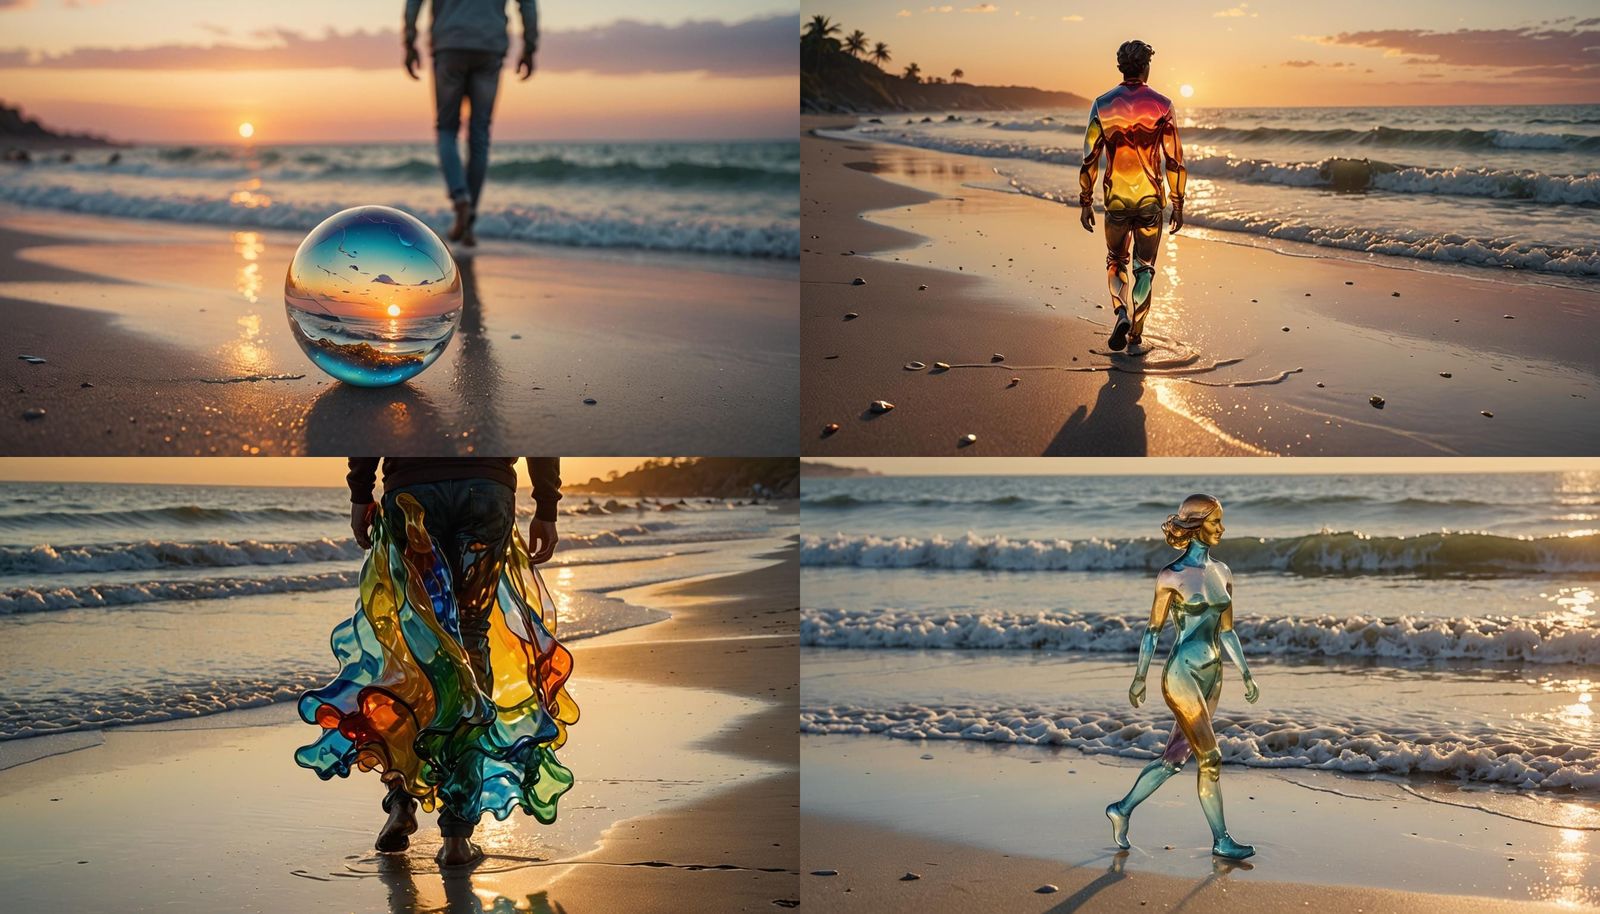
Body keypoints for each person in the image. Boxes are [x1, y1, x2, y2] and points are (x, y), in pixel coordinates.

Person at [296, 458, 568, 869]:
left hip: (412, 489)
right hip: (486, 488)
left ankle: (402, 801)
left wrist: (360, 491)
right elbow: (537, 413)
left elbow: (377, 402)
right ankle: (457, 832)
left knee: (411, 646)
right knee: (471, 640)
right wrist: (546, 505)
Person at [1104, 494, 1259, 860]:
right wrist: (1140, 677)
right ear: (1196, 524)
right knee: (1211, 758)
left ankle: (1121, 809)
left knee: (1173, 760)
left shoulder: (1224, 573)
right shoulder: (1170, 576)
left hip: (1213, 674)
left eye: (1221, 521)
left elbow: (1227, 631)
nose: (1222, 528)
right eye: (1215, 521)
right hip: (1182, 674)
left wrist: (1247, 674)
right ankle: (1221, 839)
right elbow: (1153, 631)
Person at [1078, 39, 1187, 356]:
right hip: (1151, 202)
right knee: (1145, 266)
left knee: (1116, 261)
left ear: (1121, 67)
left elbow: (1089, 157)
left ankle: (1121, 314)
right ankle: (1136, 332)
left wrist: (1086, 200)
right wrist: (1178, 202)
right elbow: (1174, 160)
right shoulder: (1163, 105)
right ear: (1146, 66)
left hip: (1116, 201)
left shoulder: (1102, 104)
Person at [404, 0, 540, 246]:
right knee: (479, 134)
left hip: (450, 44)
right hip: (489, 46)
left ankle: (460, 198)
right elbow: (527, 4)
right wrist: (530, 46)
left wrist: (409, 41)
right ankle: (470, 220)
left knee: (447, 129)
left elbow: (414, 3)